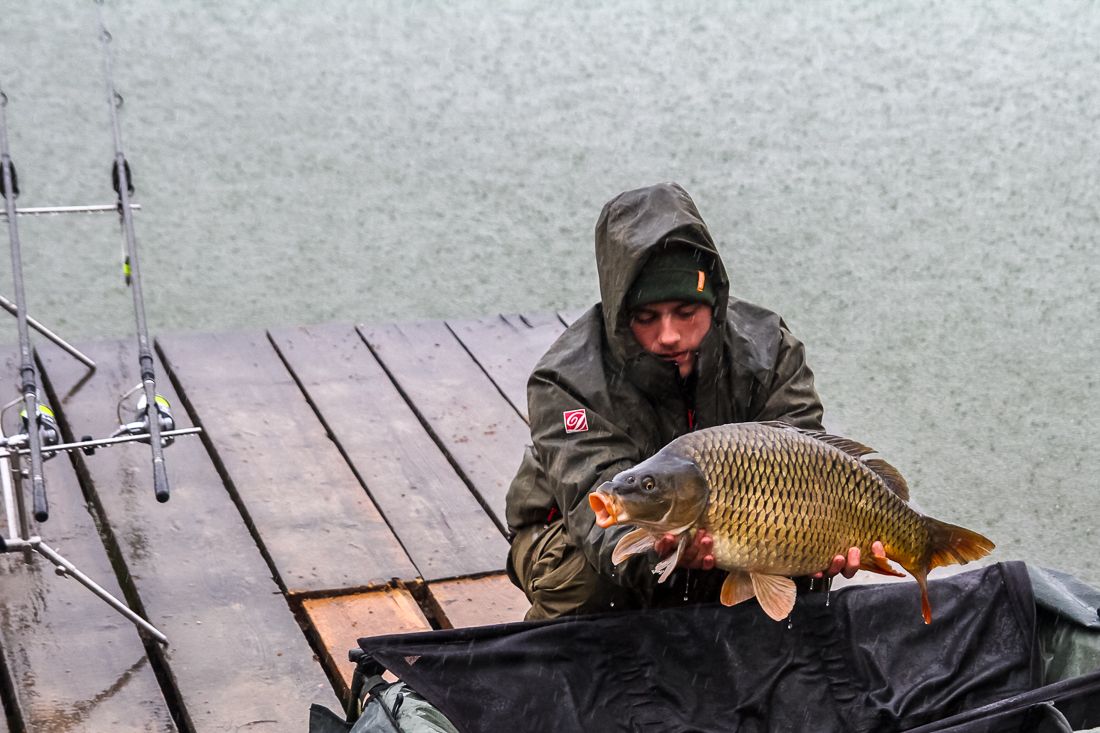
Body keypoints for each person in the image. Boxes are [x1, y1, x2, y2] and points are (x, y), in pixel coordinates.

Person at [505, 182, 880, 620]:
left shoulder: (768, 350)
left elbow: (810, 469)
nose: (669, 335)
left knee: (804, 554)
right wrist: (663, 551)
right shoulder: (566, 380)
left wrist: (826, 540)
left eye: (686, 312)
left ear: (714, 303)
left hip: (727, 524)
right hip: (571, 531)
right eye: (646, 317)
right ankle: (569, 655)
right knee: (593, 581)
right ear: (620, 315)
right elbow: (598, 514)